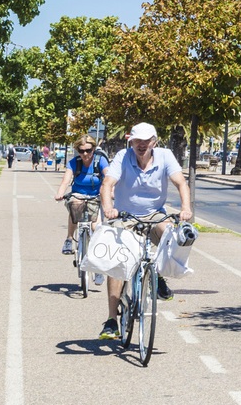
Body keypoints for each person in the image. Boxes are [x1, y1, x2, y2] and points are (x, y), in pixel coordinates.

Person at [98, 123, 192, 339]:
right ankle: (112, 320)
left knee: (171, 236)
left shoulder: (165, 156)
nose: (141, 145)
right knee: (117, 264)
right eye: (137, 141)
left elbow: (180, 183)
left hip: (155, 213)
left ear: (154, 142)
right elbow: (107, 184)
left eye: (146, 140)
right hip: (124, 215)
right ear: (131, 141)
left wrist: (185, 209)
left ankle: (158, 276)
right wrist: (108, 209)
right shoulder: (123, 156)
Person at [53, 135, 108, 256]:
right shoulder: (74, 163)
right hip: (78, 195)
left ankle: (96, 257)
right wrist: (60, 193)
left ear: (93, 149)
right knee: (75, 207)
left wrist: (112, 191)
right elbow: (65, 181)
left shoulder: (100, 161)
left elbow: (108, 178)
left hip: (96, 196)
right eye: (81, 151)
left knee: (96, 227)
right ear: (78, 150)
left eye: (88, 150)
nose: (85, 154)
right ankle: (69, 239)